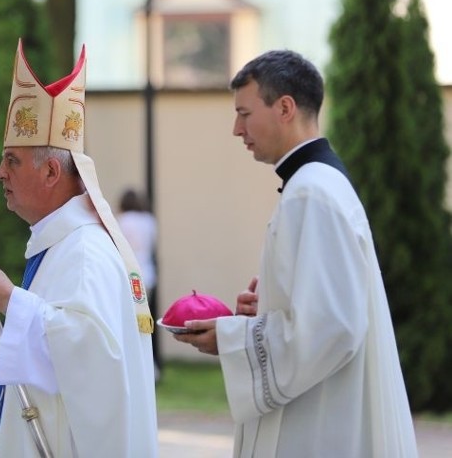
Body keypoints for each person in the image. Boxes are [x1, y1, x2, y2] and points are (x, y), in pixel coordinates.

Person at [173, 49, 418, 456]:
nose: (237, 129)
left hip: (322, 423)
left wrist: (234, 338)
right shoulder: (315, 184)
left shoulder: (312, 193)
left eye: (245, 114)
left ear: (285, 107)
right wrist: (266, 311)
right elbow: (322, 309)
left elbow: (332, 326)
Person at [0, 40, 159, 457]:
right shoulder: (61, 245)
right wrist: (8, 373)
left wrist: (8, 299)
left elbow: (96, 356)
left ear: (51, 171)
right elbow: (63, 348)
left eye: (12, 161)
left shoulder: (85, 251)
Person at [116, 188, 160, 376]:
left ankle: (134, 365)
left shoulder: (123, 221)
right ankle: (150, 365)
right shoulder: (149, 221)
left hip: (128, 274)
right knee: (143, 322)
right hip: (146, 274)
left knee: (128, 322)